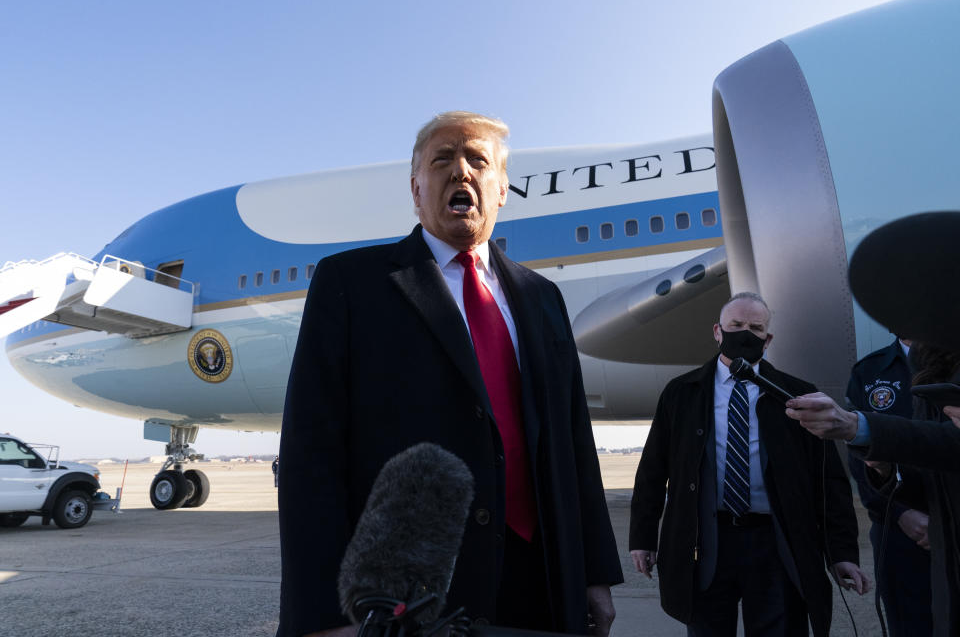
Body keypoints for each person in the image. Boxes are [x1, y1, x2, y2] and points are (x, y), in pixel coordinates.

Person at [277, 111, 623, 637]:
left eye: (478, 160)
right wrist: (324, 613)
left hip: (540, 580)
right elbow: (311, 456)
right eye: (442, 159)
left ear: (502, 189)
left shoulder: (542, 298)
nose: (461, 171)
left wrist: (594, 573)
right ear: (416, 189)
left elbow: (574, 442)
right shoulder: (350, 284)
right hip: (407, 593)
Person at [629, 292, 868, 637]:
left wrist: (841, 552)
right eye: (735, 325)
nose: (745, 333)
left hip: (775, 543)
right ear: (717, 331)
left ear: (768, 339)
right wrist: (642, 537)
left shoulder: (798, 395)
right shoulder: (682, 393)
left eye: (755, 328)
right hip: (706, 541)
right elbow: (653, 470)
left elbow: (829, 480)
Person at [787, 345, 960, 637]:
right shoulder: (877, 368)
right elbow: (931, 455)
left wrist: (861, 428)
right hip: (903, 528)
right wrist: (898, 507)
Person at [846, 337, 932, 636]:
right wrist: (900, 513)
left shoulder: (950, 363)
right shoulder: (869, 371)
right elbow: (859, 459)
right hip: (899, 534)